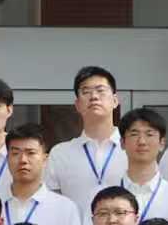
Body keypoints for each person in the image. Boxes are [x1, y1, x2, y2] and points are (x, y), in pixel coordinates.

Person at [0, 125, 88, 225]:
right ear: (7, 159)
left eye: (31, 153)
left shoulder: (64, 207)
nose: (23, 160)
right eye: (16, 153)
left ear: (45, 159)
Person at [46, 65, 125, 202]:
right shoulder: (60, 154)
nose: (94, 97)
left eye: (100, 90)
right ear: (77, 105)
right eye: (86, 91)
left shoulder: (132, 149)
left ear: (115, 101)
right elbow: (52, 204)